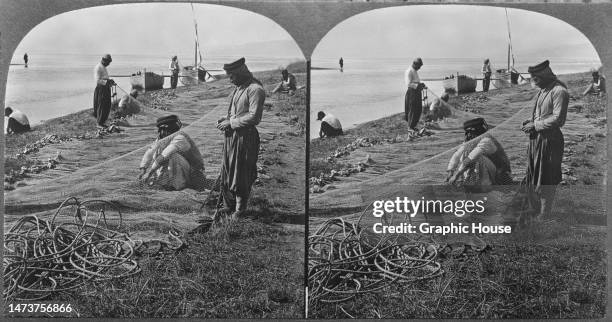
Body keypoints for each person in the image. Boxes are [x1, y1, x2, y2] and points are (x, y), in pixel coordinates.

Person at [216, 57, 265, 220]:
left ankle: (240, 210)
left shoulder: (255, 89)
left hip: (246, 138)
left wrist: (231, 122)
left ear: (241, 73)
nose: (230, 80)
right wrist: (225, 119)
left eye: (232, 76)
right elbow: (237, 112)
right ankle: (229, 205)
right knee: (228, 170)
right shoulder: (238, 89)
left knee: (241, 172)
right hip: (232, 136)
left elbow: (254, 117)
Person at [521, 60, 569, 220]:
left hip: (551, 141)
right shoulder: (543, 91)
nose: (534, 82)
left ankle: (544, 213)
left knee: (546, 175)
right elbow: (542, 114)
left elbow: (558, 120)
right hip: (537, 140)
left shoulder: (559, 91)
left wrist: (535, 125)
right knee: (534, 173)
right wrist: (530, 121)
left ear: (543, 76)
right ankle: (534, 207)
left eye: (536, 79)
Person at [139, 115, 205, 191]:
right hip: (179, 171)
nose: (160, 133)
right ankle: (163, 182)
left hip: (193, 175)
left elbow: (165, 155)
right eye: (160, 130)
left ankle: (177, 186)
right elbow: (149, 152)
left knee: (172, 156)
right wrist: (143, 170)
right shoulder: (162, 139)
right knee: (157, 153)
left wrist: (149, 173)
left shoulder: (181, 138)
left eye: (162, 130)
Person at [447, 117, 512, 190]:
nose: (468, 136)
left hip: (501, 177)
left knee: (477, 158)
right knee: (465, 153)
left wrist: (456, 176)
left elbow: (471, 158)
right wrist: (450, 171)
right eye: (467, 133)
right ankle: (468, 182)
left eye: (470, 133)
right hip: (491, 172)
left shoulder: (487, 141)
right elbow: (457, 155)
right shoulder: (470, 142)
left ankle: (484, 186)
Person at [93, 54, 116, 128]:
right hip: (101, 89)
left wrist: (110, 81)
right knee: (101, 105)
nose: (109, 64)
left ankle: (103, 122)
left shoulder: (104, 67)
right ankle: (99, 123)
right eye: (108, 62)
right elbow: (98, 80)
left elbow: (105, 78)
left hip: (106, 88)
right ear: (104, 60)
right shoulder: (98, 67)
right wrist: (107, 82)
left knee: (107, 105)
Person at [404, 57, 427, 130]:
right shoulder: (409, 71)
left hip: (417, 92)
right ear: (415, 64)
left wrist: (421, 85)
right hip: (412, 93)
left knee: (418, 109)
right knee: (412, 110)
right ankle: (410, 127)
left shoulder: (415, 71)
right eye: (419, 66)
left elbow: (416, 81)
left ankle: (413, 126)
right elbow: (409, 84)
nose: (419, 68)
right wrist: (418, 85)